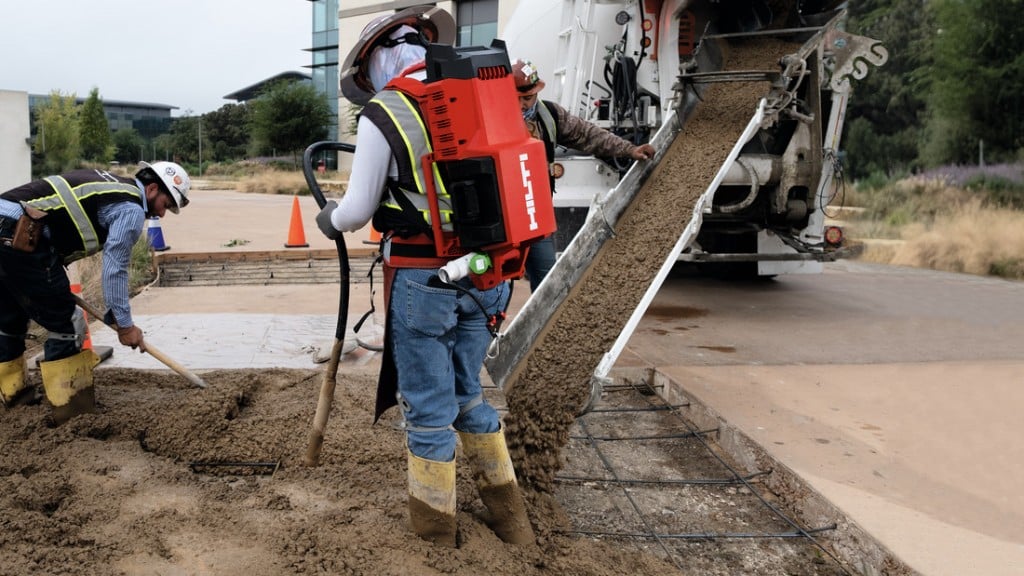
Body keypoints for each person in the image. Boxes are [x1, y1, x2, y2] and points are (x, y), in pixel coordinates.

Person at [317, 6, 535, 548]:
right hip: (490, 273)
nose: (371, 86)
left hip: (424, 277)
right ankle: (514, 525)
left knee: (429, 410)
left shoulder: (387, 110)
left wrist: (329, 218)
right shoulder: (486, 92)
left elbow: (358, 208)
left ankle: (437, 537)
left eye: (367, 78)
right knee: (469, 397)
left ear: (378, 57)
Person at [0, 161, 191, 424]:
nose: (163, 213)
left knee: (10, 317)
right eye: (166, 205)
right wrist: (124, 325)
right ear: (153, 189)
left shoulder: (112, 185)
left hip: (10, 229)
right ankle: (72, 414)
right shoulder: (131, 209)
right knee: (68, 324)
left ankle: (15, 398)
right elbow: (115, 269)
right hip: (20, 233)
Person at [513, 59, 657, 292]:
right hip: (502, 219)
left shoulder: (549, 116)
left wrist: (629, 149)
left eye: (527, 98)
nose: (521, 105)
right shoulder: (490, 120)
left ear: (537, 93)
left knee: (548, 285)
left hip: (536, 217)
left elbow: (587, 134)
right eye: (515, 98)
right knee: (494, 291)